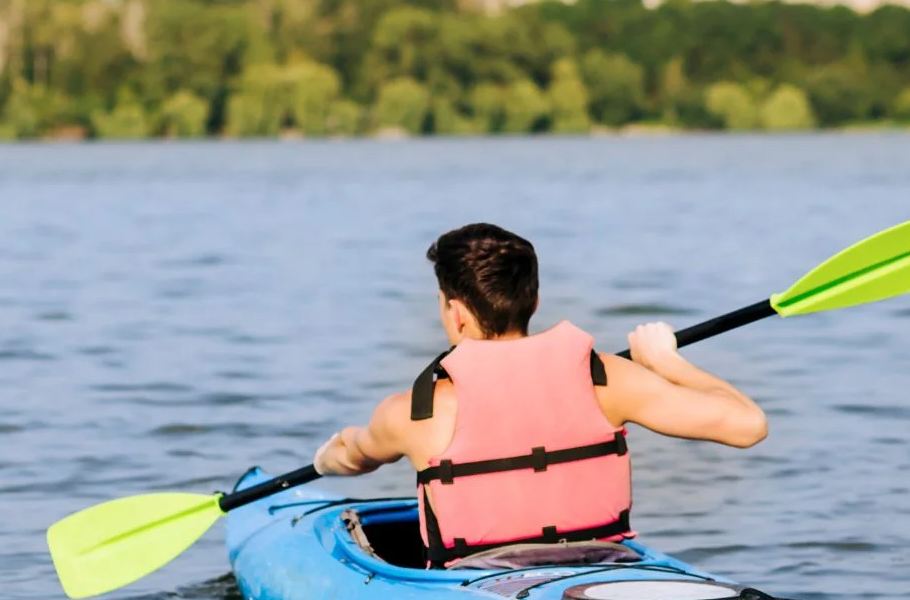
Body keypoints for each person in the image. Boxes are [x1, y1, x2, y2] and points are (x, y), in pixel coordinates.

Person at [313, 222, 768, 569]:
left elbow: (356, 455)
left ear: (455, 314)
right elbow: (749, 426)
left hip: (479, 592)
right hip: (604, 570)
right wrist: (667, 362)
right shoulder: (607, 379)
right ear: (533, 301)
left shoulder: (416, 413)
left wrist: (327, 458)